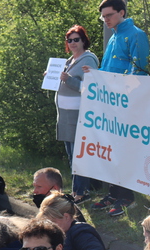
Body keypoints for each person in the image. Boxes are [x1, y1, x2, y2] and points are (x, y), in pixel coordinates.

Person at [89, 0, 150, 217]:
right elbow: (106, 70)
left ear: (121, 12)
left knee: (124, 150)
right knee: (110, 150)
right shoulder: (114, 36)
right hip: (110, 104)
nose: (106, 20)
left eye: (109, 15)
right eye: (103, 17)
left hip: (126, 103)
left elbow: (140, 70)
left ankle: (127, 196)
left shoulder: (135, 34)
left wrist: (122, 97)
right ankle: (114, 193)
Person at [53, 25, 99, 202]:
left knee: (78, 155)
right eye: (69, 40)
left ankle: (81, 193)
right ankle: (77, 191)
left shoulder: (89, 60)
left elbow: (90, 88)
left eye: (76, 39)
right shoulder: (69, 60)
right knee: (72, 155)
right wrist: (52, 76)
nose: (72, 43)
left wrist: (68, 80)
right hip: (65, 115)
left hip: (79, 114)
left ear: (83, 40)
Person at [37, 191, 111, 250]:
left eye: (52, 221)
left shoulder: (81, 232)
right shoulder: (64, 233)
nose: (50, 226)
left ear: (66, 217)